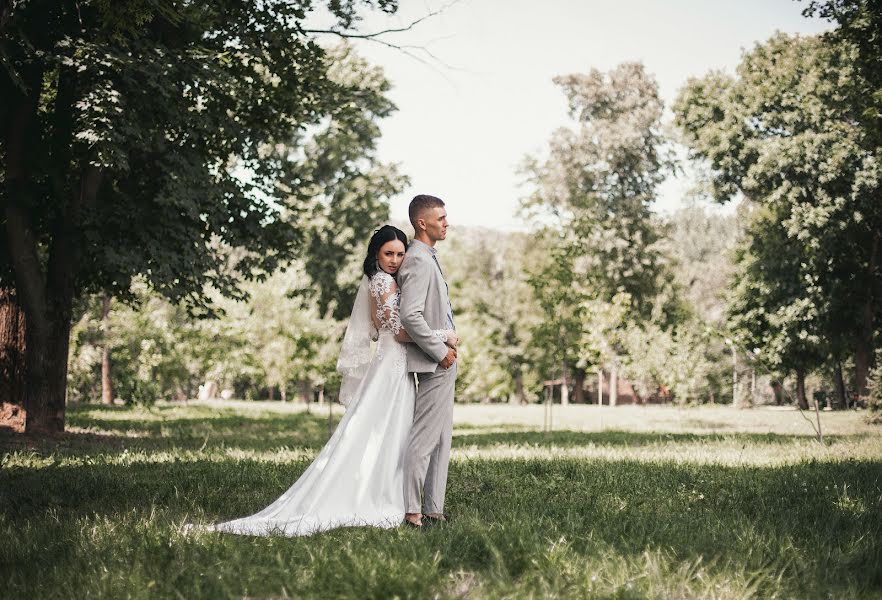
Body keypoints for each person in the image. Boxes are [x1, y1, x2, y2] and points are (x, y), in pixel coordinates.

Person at [204, 225, 456, 536]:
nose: (394, 259)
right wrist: (443, 336)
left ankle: (391, 492)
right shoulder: (381, 281)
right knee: (383, 428)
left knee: (395, 432)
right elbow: (399, 331)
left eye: (400, 254)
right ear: (376, 254)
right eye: (388, 253)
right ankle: (380, 497)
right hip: (392, 366)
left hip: (397, 366)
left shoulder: (388, 281)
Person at [398, 195, 458, 529]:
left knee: (441, 436)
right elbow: (410, 316)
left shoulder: (428, 256)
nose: (447, 223)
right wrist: (440, 351)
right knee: (424, 437)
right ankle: (412, 510)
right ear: (423, 223)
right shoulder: (418, 259)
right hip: (433, 361)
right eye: (441, 218)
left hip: (443, 361)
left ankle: (434, 507)